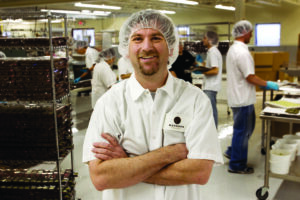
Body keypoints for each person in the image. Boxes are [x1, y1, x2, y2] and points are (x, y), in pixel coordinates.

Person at [82, 10, 223, 200]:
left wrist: (127, 164)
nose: (146, 47)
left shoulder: (196, 100)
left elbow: (199, 173)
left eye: (156, 38)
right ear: (126, 49)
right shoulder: (109, 103)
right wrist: (169, 154)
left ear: (171, 47)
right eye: (137, 39)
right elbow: (101, 177)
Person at [225, 20, 279, 174]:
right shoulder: (242, 52)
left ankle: (232, 151)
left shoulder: (233, 50)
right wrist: (268, 84)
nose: (251, 35)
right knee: (244, 131)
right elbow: (250, 77)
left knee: (242, 130)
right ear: (244, 33)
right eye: (250, 32)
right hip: (243, 99)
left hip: (237, 97)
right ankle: (237, 164)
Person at [201, 31, 223, 128]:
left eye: (204, 38)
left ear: (210, 40)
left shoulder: (213, 52)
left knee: (211, 111)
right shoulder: (213, 52)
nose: (203, 40)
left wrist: (203, 71)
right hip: (211, 86)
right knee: (210, 110)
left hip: (210, 86)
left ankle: (213, 131)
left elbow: (215, 70)